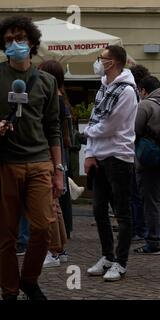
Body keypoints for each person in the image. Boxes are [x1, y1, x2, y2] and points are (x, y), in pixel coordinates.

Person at [0, 16, 63, 300]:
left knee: (42, 228)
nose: (15, 44)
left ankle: (29, 279)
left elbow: (53, 128)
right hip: (5, 163)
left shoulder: (47, 81)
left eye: (21, 39)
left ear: (32, 42)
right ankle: (10, 290)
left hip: (39, 162)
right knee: (6, 236)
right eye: (10, 39)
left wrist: (58, 170)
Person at [84, 45, 138, 282]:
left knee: (122, 213)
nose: (98, 62)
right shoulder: (104, 88)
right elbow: (96, 119)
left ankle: (121, 261)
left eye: (101, 59)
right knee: (98, 209)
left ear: (113, 62)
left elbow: (110, 127)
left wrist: (87, 132)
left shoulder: (126, 91)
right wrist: (89, 151)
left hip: (119, 157)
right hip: (102, 156)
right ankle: (107, 255)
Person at [133, 75, 160, 255]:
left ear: (144, 90)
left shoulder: (145, 105)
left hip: (150, 160)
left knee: (151, 202)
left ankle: (153, 242)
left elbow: (133, 130)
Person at [38, 60, 72, 267]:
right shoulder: (61, 98)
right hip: (56, 155)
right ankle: (59, 249)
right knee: (55, 204)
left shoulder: (53, 99)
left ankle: (53, 250)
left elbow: (52, 130)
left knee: (50, 204)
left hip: (49, 155)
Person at [129, 64, 150, 242]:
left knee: (136, 193)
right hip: (145, 153)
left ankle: (140, 228)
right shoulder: (151, 98)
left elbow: (135, 128)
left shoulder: (139, 99)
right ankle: (141, 227)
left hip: (136, 152)